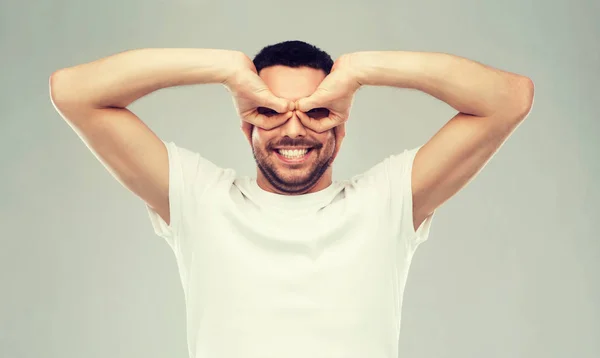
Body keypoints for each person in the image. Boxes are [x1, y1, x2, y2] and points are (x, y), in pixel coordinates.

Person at [49, 40, 534, 358]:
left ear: (340, 129)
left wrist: (361, 70)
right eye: (271, 111)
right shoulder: (199, 199)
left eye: (317, 111)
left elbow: (509, 99)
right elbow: (73, 92)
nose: (295, 128)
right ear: (246, 124)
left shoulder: (386, 202)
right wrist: (225, 69)